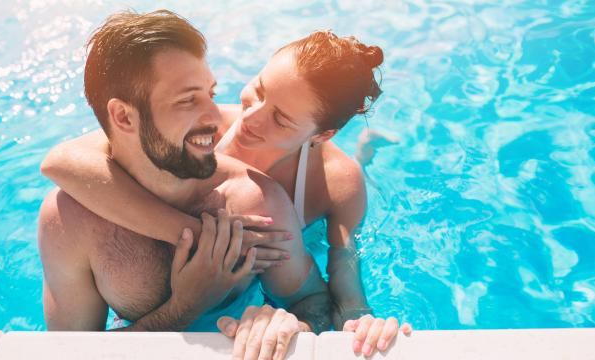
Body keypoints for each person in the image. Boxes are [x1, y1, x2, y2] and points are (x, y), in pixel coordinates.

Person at [42, 17, 412, 358]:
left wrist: (351, 322)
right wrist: (200, 243)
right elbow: (59, 162)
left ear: (322, 134)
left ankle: (366, 151)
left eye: (280, 118)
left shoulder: (278, 196)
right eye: (257, 91)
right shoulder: (197, 131)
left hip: (297, 231)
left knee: (354, 171)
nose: (243, 117)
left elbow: (334, 291)